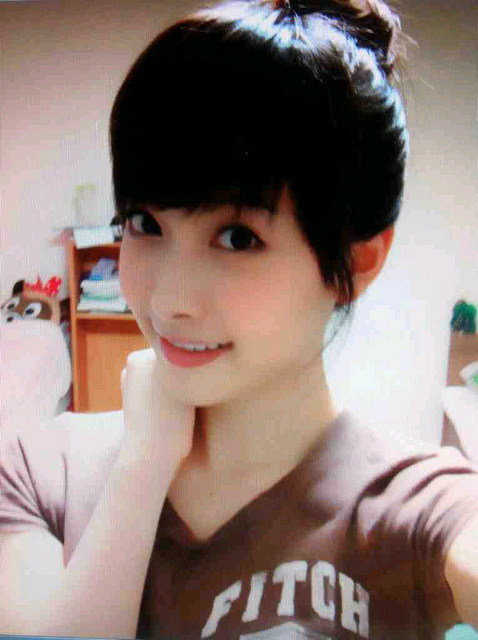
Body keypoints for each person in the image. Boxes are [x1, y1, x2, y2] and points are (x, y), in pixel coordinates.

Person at [1, 0, 478, 638]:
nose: (169, 301)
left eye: (237, 238)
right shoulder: (38, 471)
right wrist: (141, 471)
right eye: (145, 224)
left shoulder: (420, 511)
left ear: (355, 262)